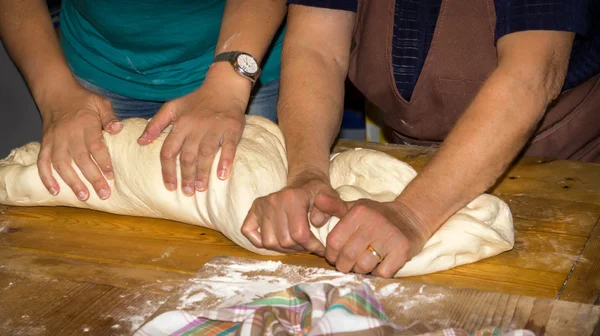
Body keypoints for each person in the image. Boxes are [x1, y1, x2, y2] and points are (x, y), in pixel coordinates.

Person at [241, 0, 600, 277]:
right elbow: (316, 49)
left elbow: (529, 76)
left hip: (558, 168)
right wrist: (307, 173)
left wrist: (413, 214)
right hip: (405, 158)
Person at [0, 0, 286, 202]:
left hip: (242, 59)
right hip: (99, 64)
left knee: (257, 195)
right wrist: (56, 93)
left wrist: (228, 83)